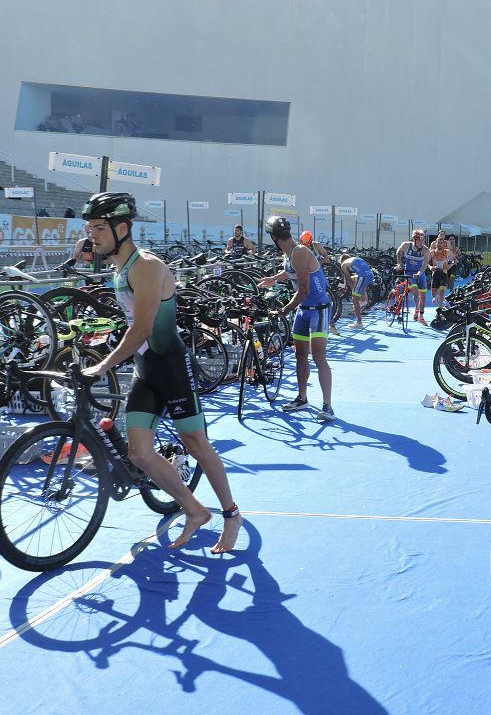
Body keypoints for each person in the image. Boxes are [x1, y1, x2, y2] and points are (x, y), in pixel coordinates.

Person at [78, 192, 242, 553]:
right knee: (138, 453)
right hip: (144, 369)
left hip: (171, 367)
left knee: (196, 445)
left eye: (99, 227)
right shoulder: (117, 266)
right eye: (89, 227)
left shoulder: (147, 267)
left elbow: (144, 329)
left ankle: (231, 514)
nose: (92, 234)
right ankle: (195, 510)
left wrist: (105, 364)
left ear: (123, 228)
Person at [258, 217, 335, 422]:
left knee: (319, 357)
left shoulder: (300, 252)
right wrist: (273, 279)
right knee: (300, 355)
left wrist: (283, 310)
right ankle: (302, 398)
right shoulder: (290, 253)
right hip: (303, 310)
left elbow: (304, 290)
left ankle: (327, 406)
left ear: (273, 237)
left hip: (318, 309)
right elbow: (289, 271)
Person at [395, 229, 429, 324]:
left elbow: (425, 265)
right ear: (414, 239)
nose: (422, 242)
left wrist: (419, 273)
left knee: (423, 296)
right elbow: (398, 252)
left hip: (420, 273)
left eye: (423, 240)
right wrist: (399, 264)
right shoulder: (406, 245)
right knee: (415, 292)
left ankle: (420, 316)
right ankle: (417, 309)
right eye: (420, 240)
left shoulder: (425, 250)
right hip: (409, 273)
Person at [338, 251, 375, 329]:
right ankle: (363, 300)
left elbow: (348, 279)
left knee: (354, 299)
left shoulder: (343, 264)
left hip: (363, 277)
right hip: (370, 275)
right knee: (359, 283)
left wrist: (353, 291)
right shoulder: (356, 259)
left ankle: (359, 322)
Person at [429, 230, 451, 309]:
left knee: (442, 292)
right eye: (440, 234)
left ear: (445, 236)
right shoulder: (433, 244)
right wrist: (431, 266)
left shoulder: (447, 244)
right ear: (437, 235)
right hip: (435, 269)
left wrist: (449, 263)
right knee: (434, 294)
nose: (441, 235)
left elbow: (449, 254)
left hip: (444, 269)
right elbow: (429, 256)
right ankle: (440, 299)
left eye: (443, 234)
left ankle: (442, 307)